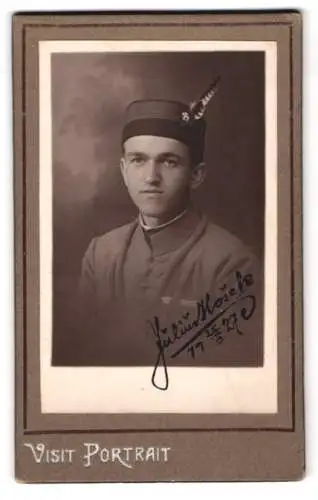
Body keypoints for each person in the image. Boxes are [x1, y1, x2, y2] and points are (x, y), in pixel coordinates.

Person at [71, 82, 263, 372]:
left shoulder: (230, 263)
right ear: (124, 171)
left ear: (196, 175)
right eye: (138, 160)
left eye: (169, 162)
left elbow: (229, 376)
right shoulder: (101, 255)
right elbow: (80, 356)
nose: (151, 177)